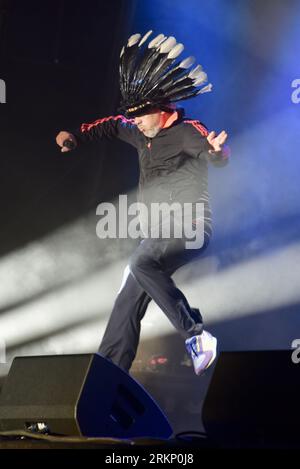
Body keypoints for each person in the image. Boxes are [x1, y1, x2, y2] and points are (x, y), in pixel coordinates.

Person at [56, 31, 230, 376]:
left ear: (161, 111)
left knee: (141, 262)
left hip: (189, 226)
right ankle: (106, 375)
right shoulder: (138, 130)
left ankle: (197, 336)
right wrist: (76, 136)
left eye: (139, 117)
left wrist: (218, 153)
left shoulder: (188, 131)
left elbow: (216, 155)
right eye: (132, 118)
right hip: (157, 232)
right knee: (127, 300)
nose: (134, 122)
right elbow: (109, 125)